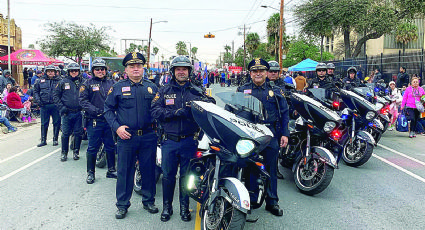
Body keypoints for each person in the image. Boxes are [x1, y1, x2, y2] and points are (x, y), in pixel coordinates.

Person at [151, 56, 213, 222]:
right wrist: (174, 113)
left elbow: (211, 106)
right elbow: (154, 111)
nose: (181, 72)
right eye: (178, 69)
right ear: (173, 71)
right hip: (169, 141)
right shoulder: (164, 90)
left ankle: (184, 208)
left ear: (189, 71)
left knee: (186, 177)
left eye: (184, 69)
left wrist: (201, 104)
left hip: (189, 141)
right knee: (168, 176)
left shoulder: (196, 90)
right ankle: (167, 207)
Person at [104, 52, 159, 219]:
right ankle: (122, 204)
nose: (136, 69)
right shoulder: (118, 87)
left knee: (149, 170)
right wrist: (117, 128)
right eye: (131, 66)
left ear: (143, 68)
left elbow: (160, 111)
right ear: (126, 69)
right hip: (126, 137)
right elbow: (108, 110)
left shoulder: (152, 87)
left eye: (139, 66)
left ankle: (148, 200)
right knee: (124, 171)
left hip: (148, 136)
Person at [237, 58, 289, 216]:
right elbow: (233, 111)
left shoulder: (276, 91)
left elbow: (284, 114)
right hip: (249, 134)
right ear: (250, 74)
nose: (258, 73)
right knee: (251, 167)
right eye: (254, 71)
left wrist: (285, 134)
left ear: (266, 73)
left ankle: (272, 202)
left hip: (270, 134)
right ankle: (252, 199)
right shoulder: (242, 90)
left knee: (271, 168)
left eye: (261, 71)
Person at [79, 58, 117, 184]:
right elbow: (83, 101)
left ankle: (111, 170)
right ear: (93, 70)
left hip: (109, 121)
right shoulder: (87, 84)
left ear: (106, 70)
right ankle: (90, 173)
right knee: (92, 147)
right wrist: (96, 111)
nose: (100, 71)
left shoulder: (112, 83)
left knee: (110, 146)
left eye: (102, 69)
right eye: (97, 69)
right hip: (94, 121)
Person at [53, 63, 84, 162]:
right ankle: (64, 153)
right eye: (72, 71)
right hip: (67, 113)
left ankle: (76, 152)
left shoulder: (83, 82)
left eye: (76, 70)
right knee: (65, 134)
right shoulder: (63, 82)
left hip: (79, 113)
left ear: (79, 72)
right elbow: (56, 96)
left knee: (78, 134)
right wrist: (61, 108)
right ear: (68, 72)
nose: (74, 72)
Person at [34, 65, 61, 147]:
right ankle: (43, 140)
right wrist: (38, 101)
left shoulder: (59, 81)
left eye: (52, 71)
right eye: (48, 71)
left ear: (55, 72)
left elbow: (63, 93)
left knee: (56, 123)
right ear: (46, 72)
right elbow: (36, 92)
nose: (50, 73)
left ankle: (55, 139)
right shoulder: (39, 81)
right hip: (44, 105)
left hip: (55, 106)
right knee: (44, 123)